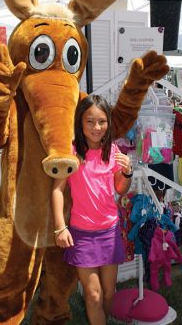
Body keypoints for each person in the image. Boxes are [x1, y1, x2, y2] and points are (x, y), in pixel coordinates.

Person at [51, 95, 133, 325]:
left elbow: (120, 189)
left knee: (109, 293)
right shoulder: (71, 151)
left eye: (102, 121)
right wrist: (60, 228)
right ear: (80, 122)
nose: (96, 127)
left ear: (108, 123)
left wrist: (127, 172)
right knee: (93, 294)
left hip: (109, 232)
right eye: (90, 121)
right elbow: (56, 190)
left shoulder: (113, 150)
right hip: (82, 234)